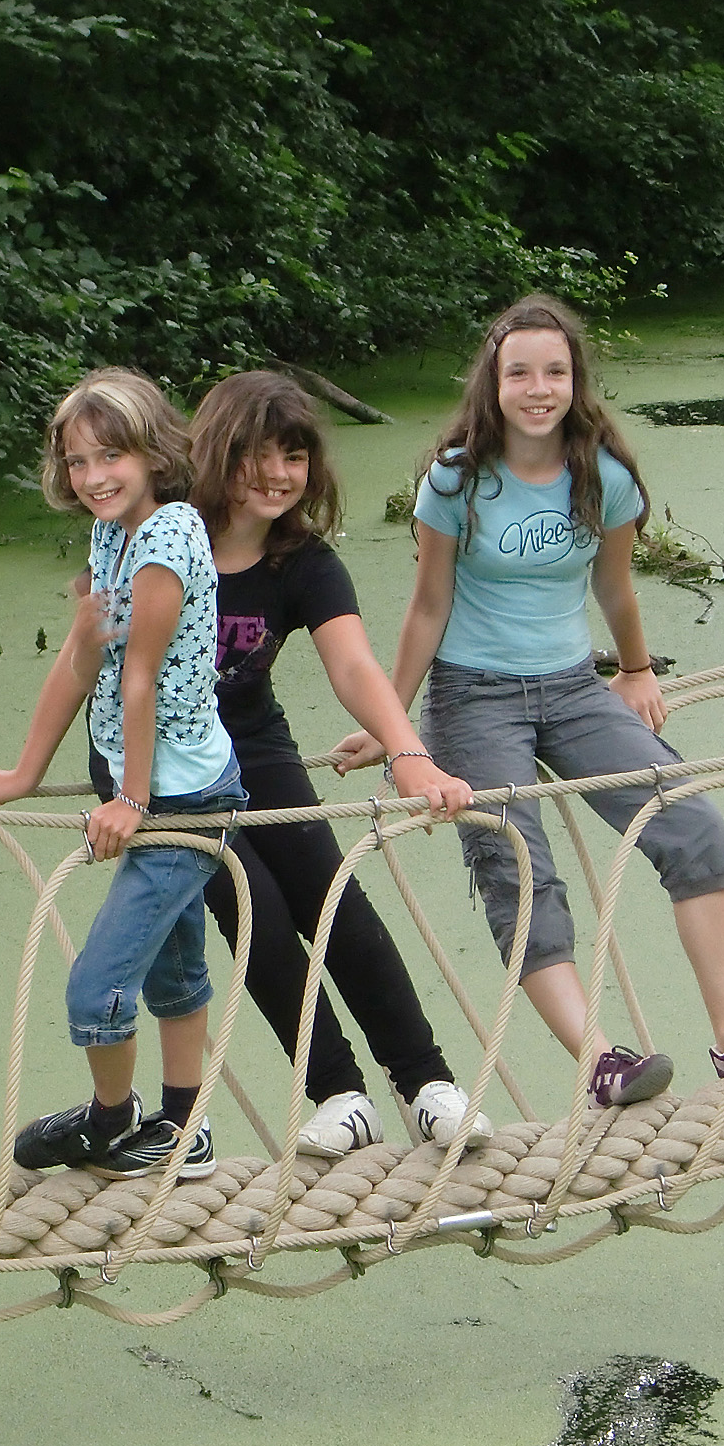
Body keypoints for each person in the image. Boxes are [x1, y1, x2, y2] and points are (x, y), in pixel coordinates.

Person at [378, 294, 724, 1106]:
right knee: (521, 874)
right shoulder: (457, 481)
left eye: (555, 371)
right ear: (494, 381)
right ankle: (599, 1064)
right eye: (520, 373)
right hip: (473, 697)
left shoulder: (604, 476)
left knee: (692, 825)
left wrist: (638, 669)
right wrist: (393, 726)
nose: (538, 388)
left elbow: (613, 586)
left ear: (576, 380)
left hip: (575, 685)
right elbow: (426, 607)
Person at [181, 370, 486, 1156]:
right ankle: (341, 1096)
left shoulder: (303, 563)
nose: (279, 474)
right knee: (256, 910)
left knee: (332, 894)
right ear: (218, 451)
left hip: (255, 747)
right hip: (171, 770)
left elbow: (352, 666)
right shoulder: (167, 541)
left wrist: (409, 752)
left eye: (295, 456)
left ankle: (427, 1084)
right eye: (257, 453)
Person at [0, 368, 243, 1180]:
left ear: (153, 452)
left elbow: (140, 677)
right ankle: (185, 1130)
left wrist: (132, 799)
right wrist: (22, 771)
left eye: (110, 456)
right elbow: (86, 659)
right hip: (147, 785)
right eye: (78, 462)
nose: (94, 478)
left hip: (184, 800)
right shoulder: (112, 535)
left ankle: (113, 1123)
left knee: (98, 990)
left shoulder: (167, 536)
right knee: (176, 968)